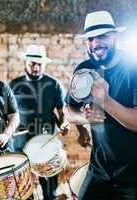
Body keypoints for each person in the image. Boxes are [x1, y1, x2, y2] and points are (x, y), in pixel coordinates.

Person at [64, 10, 137, 200]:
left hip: (132, 176)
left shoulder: (133, 67)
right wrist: (83, 120)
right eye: (90, 39)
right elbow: (68, 109)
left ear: (115, 36)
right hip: (99, 170)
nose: (96, 43)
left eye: (103, 36)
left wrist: (105, 101)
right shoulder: (83, 69)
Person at [9, 44, 69, 200]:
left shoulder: (54, 84)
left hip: (46, 140)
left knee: (50, 188)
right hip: (21, 142)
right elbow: (7, 113)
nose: (36, 68)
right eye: (32, 64)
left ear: (44, 65)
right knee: (24, 188)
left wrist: (63, 124)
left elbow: (62, 110)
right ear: (25, 63)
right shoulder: (14, 85)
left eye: (39, 65)